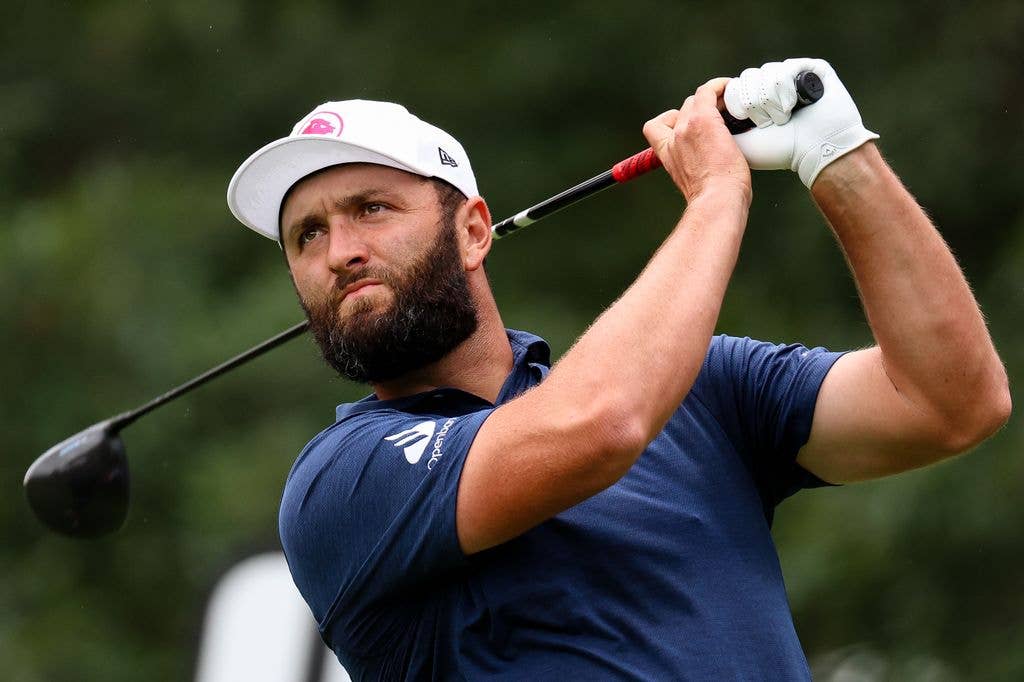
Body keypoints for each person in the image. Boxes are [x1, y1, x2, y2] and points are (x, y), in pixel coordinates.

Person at [226, 58, 1009, 680]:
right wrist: (716, 196)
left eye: (371, 208)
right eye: (306, 236)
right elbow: (599, 426)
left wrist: (839, 157)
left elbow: (950, 403)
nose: (340, 252)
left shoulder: (704, 389)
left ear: (472, 232)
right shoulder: (342, 482)